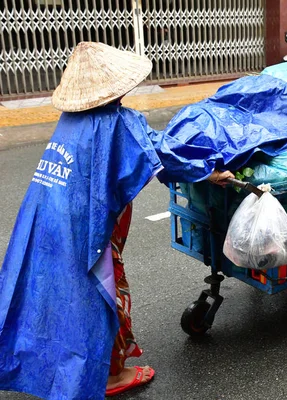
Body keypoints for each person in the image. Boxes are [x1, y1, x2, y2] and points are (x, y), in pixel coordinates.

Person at [0, 42, 233, 399]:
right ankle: (112, 374)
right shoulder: (118, 122)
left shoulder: (70, 122)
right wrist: (208, 172)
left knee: (49, 290)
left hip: (45, 218)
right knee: (104, 292)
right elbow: (162, 154)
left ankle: (39, 362)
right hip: (85, 229)